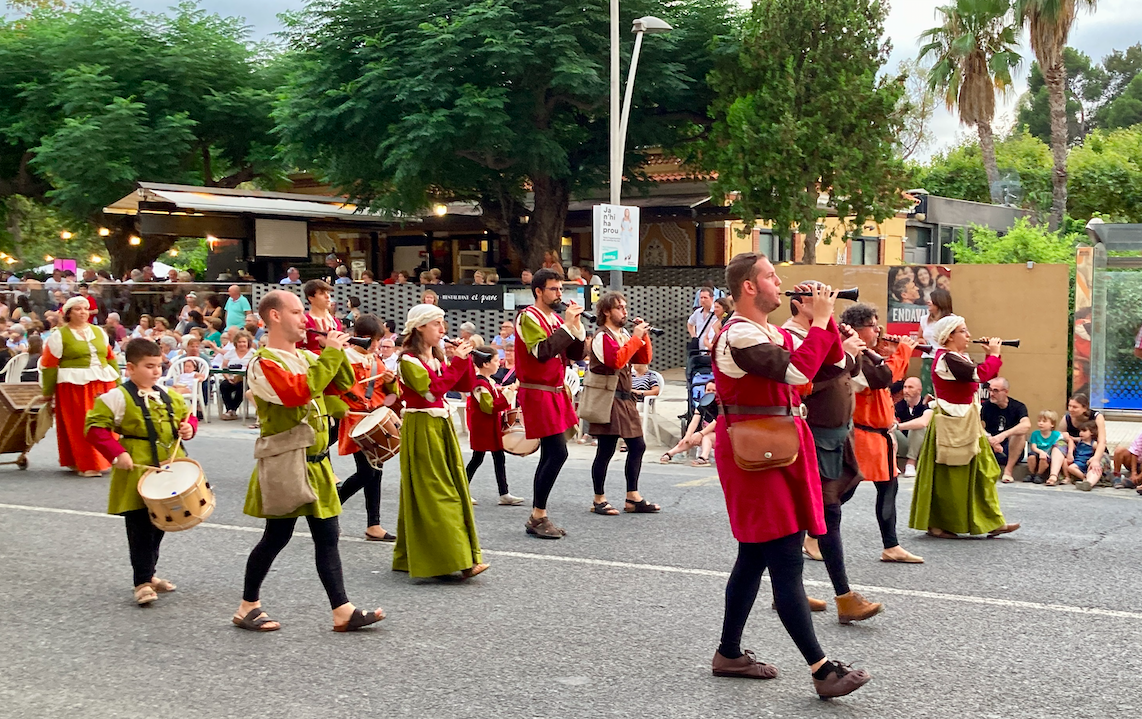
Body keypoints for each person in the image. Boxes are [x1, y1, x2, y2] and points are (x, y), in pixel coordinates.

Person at [710, 252, 870, 698]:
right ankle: (823, 670)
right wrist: (818, 322)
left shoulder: (769, 331)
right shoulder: (738, 334)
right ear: (749, 286)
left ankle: (728, 653)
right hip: (756, 452)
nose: (780, 283)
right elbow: (799, 370)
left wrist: (829, 322)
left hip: (774, 447)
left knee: (753, 558)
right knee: (784, 556)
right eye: (771, 276)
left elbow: (834, 367)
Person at [233, 290, 383, 633]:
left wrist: (343, 350)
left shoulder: (306, 356)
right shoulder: (263, 361)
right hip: (286, 457)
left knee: (328, 535)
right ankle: (247, 606)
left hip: (317, 461)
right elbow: (296, 393)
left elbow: (344, 385)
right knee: (276, 537)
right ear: (274, 316)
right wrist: (329, 354)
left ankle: (342, 610)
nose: (305, 319)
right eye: (298, 312)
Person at [782, 284, 883, 623]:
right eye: (816, 299)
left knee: (813, 514)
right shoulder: (791, 336)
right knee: (828, 514)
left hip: (837, 435)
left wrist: (850, 349)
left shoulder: (820, 331)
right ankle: (844, 597)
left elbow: (855, 372)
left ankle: (787, 591)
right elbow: (807, 378)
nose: (826, 303)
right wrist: (845, 352)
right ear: (798, 304)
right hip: (813, 436)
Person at [84, 338, 197, 606]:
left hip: (169, 468)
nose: (156, 371)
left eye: (158, 365)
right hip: (137, 468)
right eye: (149, 366)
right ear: (130, 369)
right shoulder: (116, 397)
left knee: (161, 523)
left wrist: (189, 428)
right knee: (139, 527)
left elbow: (187, 416)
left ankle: (150, 573)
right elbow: (95, 428)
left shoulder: (167, 394)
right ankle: (142, 582)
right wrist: (116, 452)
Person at [393, 304, 488, 578]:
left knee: (439, 488)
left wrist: (465, 359)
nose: (443, 330)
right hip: (422, 425)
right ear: (420, 327)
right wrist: (456, 361)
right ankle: (458, 560)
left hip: (439, 425)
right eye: (437, 324)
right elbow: (433, 392)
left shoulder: (436, 357)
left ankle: (412, 555)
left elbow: (464, 385)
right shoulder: (408, 361)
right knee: (438, 491)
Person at [908, 315, 1021, 539]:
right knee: (950, 477)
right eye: (963, 331)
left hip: (966, 421)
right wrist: (995, 354)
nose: (969, 335)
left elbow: (983, 377)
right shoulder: (947, 358)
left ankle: (991, 520)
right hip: (952, 421)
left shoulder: (958, 357)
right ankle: (938, 523)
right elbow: (979, 375)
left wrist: (991, 355)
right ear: (949, 336)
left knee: (984, 471)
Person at [839, 303, 923, 564]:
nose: (878, 330)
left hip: (879, 435)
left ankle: (891, 545)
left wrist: (885, 351)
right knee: (845, 489)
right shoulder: (853, 355)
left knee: (888, 487)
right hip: (863, 434)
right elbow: (881, 378)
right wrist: (902, 352)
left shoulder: (867, 353)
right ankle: (812, 535)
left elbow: (884, 379)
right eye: (873, 326)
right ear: (858, 330)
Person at [515, 268, 587, 539]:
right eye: (554, 289)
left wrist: (577, 329)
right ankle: (537, 514)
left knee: (551, 453)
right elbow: (542, 352)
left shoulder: (557, 319)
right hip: (538, 391)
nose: (559, 294)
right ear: (538, 291)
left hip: (555, 391)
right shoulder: (527, 317)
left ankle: (538, 514)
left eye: (561, 289)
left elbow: (576, 354)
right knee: (557, 452)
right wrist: (568, 327)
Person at [585, 292, 659, 517]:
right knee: (605, 449)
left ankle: (632, 497)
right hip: (609, 398)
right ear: (606, 311)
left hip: (625, 398)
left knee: (637, 446)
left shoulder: (624, 333)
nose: (624, 312)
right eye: (619, 308)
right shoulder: (602, 336)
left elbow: (642, 360)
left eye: (625, 307)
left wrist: (643, 337)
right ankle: (599, 498)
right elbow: (615, 361)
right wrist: (635, 338)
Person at [40, 297, 121, 477]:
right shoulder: (59, 335)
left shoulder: (98, 332)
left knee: (107, 421)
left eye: (85, 309)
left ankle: (108, 458)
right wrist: (47, 392)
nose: (83, 312)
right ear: (68, 313)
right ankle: (88, 462)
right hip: (75, 385)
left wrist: (119, 383)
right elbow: (49, 366)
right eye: (78, 309)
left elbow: (110, 357)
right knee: (82, 424)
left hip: (103, 382)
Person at [337, 315, 398, 542]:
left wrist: (392, 382)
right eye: (373, 340)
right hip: (355, 420)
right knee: (367, 472)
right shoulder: (345, 358)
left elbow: (389, 393)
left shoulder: (376, 361)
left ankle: (374, 524)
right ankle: (333, 503)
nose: (375, 345)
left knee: (376, 474)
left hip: (374, 419)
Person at [466, 346, 524, 505]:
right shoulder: (479, 384)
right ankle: (461, 490)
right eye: (496, 360)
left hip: (490, 426)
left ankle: (504, 493)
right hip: (483, 427)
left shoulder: (486, 382)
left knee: (498, 457)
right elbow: (489, 406)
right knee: (477, 458)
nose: (499, 363)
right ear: (486, 364)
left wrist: (506, 390)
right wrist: (509, 392)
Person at [981, 377, 1030, 484]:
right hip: (991, 447)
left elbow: (1026, 425)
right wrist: (990, 439)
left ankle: (1008, 471)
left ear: (1005, 392)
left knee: (1020, 434)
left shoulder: (1018, 407)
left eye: (996, 391)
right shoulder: (985, 406)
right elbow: (976, 425)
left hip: (1010, 450)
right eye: (990, 390)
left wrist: (1003, 435)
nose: (992, 394)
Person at [1060, 393, 1108, 486]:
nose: (1071, 409)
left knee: (1095, 465)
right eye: (1069, 406)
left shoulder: (1097, 417)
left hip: (1094, 450)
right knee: (1059, 445)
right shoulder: (1067, 418)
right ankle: (1054, 475)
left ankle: (1089, 483)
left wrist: (1096, 459)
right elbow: (1059, 436)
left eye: (1075, 407)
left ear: (1085, 408)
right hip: (1077, 451)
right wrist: (1065, 437)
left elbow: (1102, 442)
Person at [893, 377, 931, 478]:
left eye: (910, 387)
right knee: (889, 429)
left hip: (922, 446)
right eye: (905, 387)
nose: (906, 391)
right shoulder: (898, 406)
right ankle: (891, 463)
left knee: (918, 427)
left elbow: (924, 422)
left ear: (919, 390)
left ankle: (911, 463)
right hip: (904, 445)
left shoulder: (927, 405)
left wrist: (899, 426)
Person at [918, 289, 953, 399]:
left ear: (939, 302)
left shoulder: (952, 320)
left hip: (945, 360)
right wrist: (920, 342)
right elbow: (920, 337)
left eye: (931, 300)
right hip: (928, 359)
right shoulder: (924, 320)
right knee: (927, 394)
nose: (928, 302)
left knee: (943, 393)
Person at [214, 331, 255, 420]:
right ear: (236, 343)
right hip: (231, 377)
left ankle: (232, 410)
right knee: (224, 386)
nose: (242, 344)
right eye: (239, 342)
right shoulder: (230, 353)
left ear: (248, 342)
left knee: (242, 387)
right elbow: (224, 367)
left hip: (246, 379)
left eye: (244, 342)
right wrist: (228, 377)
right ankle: (230, 410)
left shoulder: (253, 353)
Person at [299, 280, 342, 352]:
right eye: (321, 293)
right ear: (311, 298)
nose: (327, 296)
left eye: (328, 293)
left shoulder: (336, 322)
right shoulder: (304, 322)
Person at [1027, 410, 1066, 486]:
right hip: (1037, 454)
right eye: (1039, 421)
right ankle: (1031, 474)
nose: (1040, 423)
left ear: (1052, 424)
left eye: (1044, 421)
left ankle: (1039, 474)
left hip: (1048, 456)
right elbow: (1033, 447)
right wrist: (1040, 452)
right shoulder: (1035, 434)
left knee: (1044, 458)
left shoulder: (1056, 435)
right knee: (1031, 456)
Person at [1066, 422, 1100, 489]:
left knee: (1070, 468)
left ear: (1092, 432)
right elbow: (1071, 438)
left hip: (1084, 462)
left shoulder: (1093, 444)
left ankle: (1084, 478)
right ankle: (1070, 478)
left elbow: (1098, 453)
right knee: (1067, 464)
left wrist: (1093, 458)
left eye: (1084, 431)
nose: (1081, 433)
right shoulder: (1079, 440)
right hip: (1077, 460)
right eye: (1080, 431)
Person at [688, 288, 718, 353]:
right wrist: (694, 336)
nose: (703, 300)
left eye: (705, 298)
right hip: (699, 347)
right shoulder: (697, 312)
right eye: (701, 298)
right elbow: (690, 323)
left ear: (712, 298)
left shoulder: (717, 312)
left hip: (711, 347)